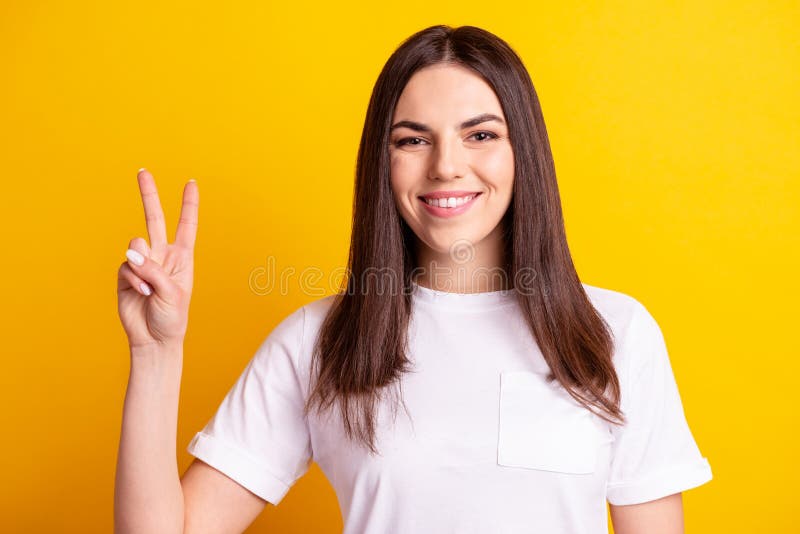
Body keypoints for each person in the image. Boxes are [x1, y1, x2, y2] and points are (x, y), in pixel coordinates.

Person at [114, 24, 712, 534]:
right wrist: (156, 352)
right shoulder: (319, 341)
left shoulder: (616, 334)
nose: (446, 165)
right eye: (412, 140)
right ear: (384, 160)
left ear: (522, 152)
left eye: (480, 134)